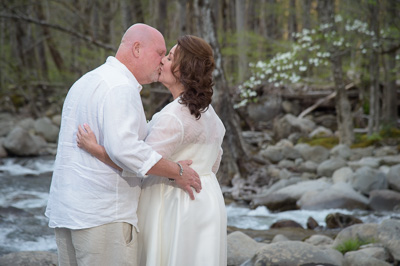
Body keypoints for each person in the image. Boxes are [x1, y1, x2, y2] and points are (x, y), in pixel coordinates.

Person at [45, 24, 202, 266]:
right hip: (103, 216)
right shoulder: (121, 88)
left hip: (68, 211)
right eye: (160, 53)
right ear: (137, 49)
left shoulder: (88, 80)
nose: (162, 61)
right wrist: (177, 171)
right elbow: (125, 150)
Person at [77, 35, 227, 266]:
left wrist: (96, 150)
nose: (161, 62)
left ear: (182, 69)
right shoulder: (213, 118)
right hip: (207, 202)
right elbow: (213, 166)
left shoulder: (173, 116)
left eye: (169, 57)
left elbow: (137, 164)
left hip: (173, 204)